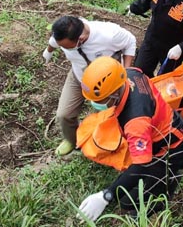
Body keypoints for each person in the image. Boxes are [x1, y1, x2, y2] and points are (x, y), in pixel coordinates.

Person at [77, 57, 183, 222]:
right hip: (169, 124)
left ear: (115, 93)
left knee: (128, 201)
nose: (95, 104)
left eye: (99, 100)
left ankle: (166, 189)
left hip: (171, 149)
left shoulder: (136, 122)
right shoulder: (130, 74)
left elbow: (142, 164)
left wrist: (107, 195)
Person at [42, 15, 136, 156]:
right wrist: (48, 52)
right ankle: (73, 140)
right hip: (79, 76)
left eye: (67, 47)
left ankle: (107, 143)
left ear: (80, 40)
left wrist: (126, 72)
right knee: (64, 114)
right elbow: (53, 42)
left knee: (106, 114)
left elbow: (130, 42)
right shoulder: (62, 36)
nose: (63, 48)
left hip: (105, 81)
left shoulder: (108, 35)